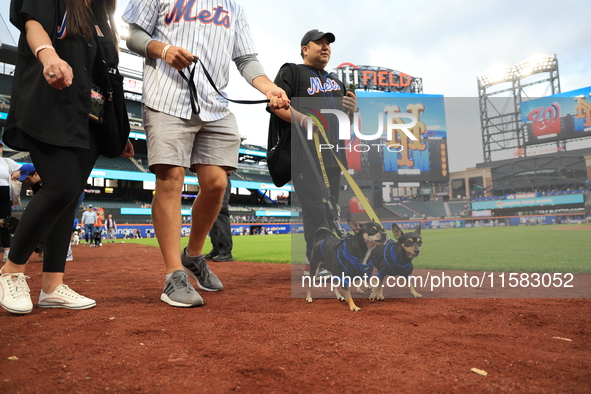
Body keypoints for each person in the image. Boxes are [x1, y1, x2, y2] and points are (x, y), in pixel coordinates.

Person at [122, 0, 289, 308]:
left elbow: (246, 58)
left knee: (216, 184)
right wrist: (163, 49)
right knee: (171, 178)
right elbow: (132, 36)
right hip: (165, 99)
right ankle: (174, 275)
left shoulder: (233, 7)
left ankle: (194, 255)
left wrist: (269, 88)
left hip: (215, 105)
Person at [0, 0, 133, 315]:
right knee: (61, 185)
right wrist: (48, 56)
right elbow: (32, 23)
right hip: (49, 103)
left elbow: (107, 73)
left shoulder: (99, 11)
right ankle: (10, 271)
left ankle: (52, 286)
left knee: (69, 195)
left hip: (90, 117)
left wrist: (120, 127)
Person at [269, 29, 357, 269]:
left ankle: (328, 256)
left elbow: (345, 123)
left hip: (333, 154)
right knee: (316, 207)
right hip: (305, 153)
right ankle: (317, 258)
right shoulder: (292, 71)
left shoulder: (337, 82)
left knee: (331, 208)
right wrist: (302, 119)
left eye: (328, 43)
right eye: (319, 42)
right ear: (305, 49)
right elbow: (275, 106)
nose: (325, 46)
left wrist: (351, 110)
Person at [0, 141, 22, 263]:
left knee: (5, 222)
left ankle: (7, 251)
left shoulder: (7, 162)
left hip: (4, 196)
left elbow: (24, 169)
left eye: (0, 147)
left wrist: (17, 174)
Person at [204, 171, 233, 262]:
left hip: (221, 177)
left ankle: (226, 251)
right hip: (211, 178)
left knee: (220, 211)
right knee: (211, 213)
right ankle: (217, 249)